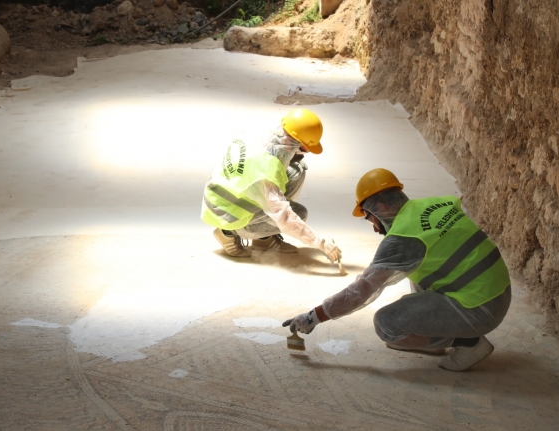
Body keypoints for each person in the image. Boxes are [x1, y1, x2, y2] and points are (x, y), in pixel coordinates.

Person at [283, 168, 512, 371]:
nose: (374, 227)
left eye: (370, 217)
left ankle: (470, 344)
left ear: (380, 207)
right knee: (419, 270)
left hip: (479, 310)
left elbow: (361, 292)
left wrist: (314, 316)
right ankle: (439, 333)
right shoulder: (431, 205)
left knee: (387, 325)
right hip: (496, 291)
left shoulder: (404, 239)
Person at [201, 108, 342, 264]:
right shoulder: (267, 168)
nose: (307, 151)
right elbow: (285, 217)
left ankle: (263, 238)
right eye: (306, 148)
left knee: (297, 168)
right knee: (299, 213)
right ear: (298, 142)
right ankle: (227, 232)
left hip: (221, 191)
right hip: (225, 211)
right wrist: (320, 243)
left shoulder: (264, 133)